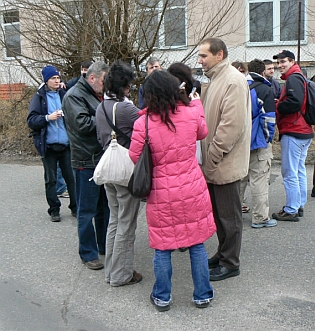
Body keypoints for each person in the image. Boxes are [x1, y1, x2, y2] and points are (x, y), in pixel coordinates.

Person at [129, 70, 216, 311]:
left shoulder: (143, 123)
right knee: (197, 243)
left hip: (161, 191)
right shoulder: (189, 114)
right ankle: (202, 294)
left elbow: (135, 156)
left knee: (163, 246)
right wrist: (195, 104)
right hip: (192, 187)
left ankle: (162, 296)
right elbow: (203, 132)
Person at [198, 38, 251, 281]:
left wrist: (213, 156)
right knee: (220, 215)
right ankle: (223, 253)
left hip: (224, 162)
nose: (200, 61)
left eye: (204, 56)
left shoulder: (233, 80)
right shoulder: (217, 79)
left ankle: (231, 262)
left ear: (219, 55)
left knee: (229, 217)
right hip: (215, 162)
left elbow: (231, 126)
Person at [95, 60, 142, 286]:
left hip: (109, 168)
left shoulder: (100, 106)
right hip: (126, 170)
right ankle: (121, 275)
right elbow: (145, 130)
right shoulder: (126, 108)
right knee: (127, 224)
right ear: (124, 85)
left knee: (114, 221)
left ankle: (111, 272)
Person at [62, 61, 110, 270]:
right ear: (92, 78)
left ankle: (104, 246)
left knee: (104, 208)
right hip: (86, 160)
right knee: (87, 210)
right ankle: (88, 253)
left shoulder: (95, 93)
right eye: (103, 81)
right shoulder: (74, 96)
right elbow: (83, 125)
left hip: (100, 158)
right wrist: (109, 118)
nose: (105, 85)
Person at [27, 65, 77, 222]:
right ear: (46, 80)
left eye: (58, 78)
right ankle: (54, 209)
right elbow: (31, 120)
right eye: (53, 78)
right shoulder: (39, 98)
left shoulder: (64, 94)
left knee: (71, 178)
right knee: (51, 180)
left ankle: (76, 207)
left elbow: (81, 80)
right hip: (48, 146)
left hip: (66, 145)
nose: (57, 80)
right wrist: (48, 118)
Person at [271, 50, 314, 222]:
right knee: (299, 169)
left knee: (289, 172)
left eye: (283, 62)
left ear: (292, 61)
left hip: (294, 130)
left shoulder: (293, 78)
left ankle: (291, 209)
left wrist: (278, 106)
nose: (280, 65)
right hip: (304, 130)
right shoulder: (299, 76)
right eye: (278, 63)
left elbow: (295, 101)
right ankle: (299, 204)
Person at [240, 59, 277, 228]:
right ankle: (260, 217)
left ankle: (234, 213)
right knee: (259, 179)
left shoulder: (239, 86)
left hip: (238, 142)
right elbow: (269, 119)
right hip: (257, 142)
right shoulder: (265, 89)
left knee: (239, 180)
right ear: (262, 72)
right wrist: (267, 140)